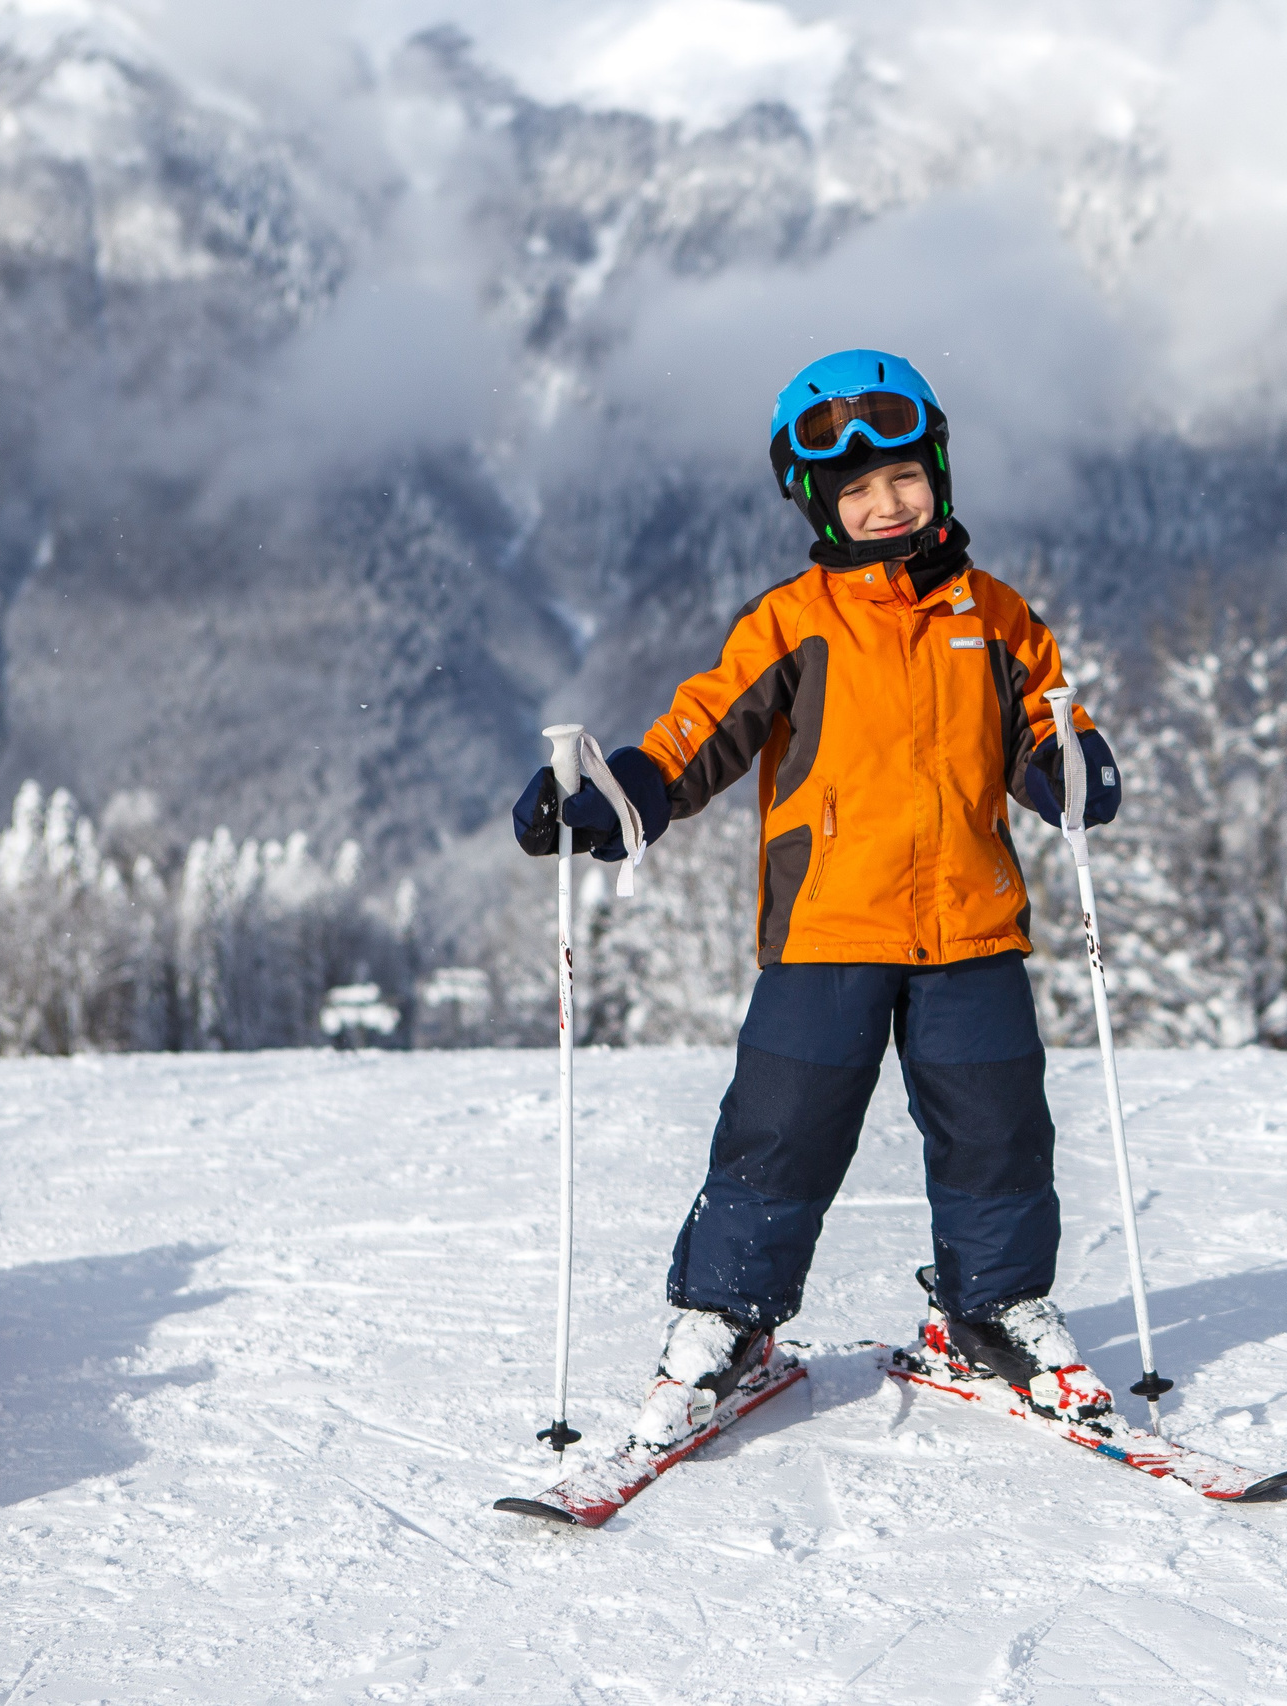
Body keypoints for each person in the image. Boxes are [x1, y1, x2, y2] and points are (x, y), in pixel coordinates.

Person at [510, 348, 1122, 1455]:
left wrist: (1068, 761)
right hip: (826, 929)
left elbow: (1049, 716)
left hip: (971, 927)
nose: (886, 503)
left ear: (936, 471)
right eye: (855, 489)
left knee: (999, 1135)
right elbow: (698, 732)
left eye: (903, 478)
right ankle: (727, 1325)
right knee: (777, 1136)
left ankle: (988, 1312)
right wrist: (615, 796)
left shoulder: (999, 616)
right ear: (818, 501)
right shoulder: (793, 621)